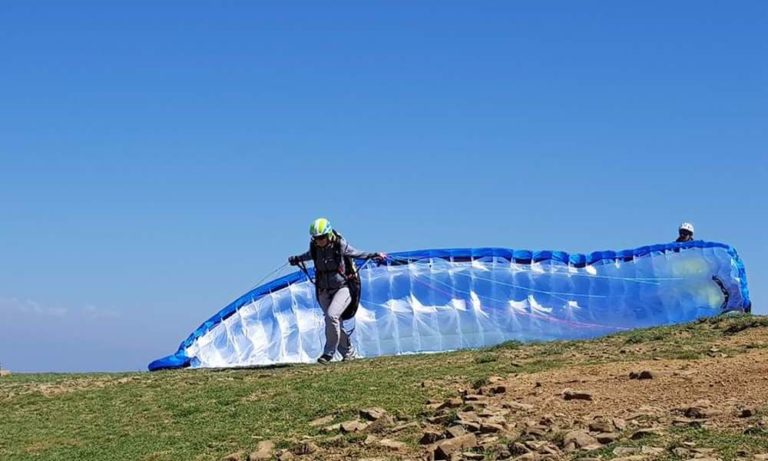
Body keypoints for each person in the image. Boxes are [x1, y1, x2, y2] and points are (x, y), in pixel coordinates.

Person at [288, 218, 385, 364]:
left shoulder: (340, 244)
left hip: (342, 288)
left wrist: (374, 254)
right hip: (323, 290)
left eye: (321, 237)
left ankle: (328, 353)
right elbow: (308, 256)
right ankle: (348, 353)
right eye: (316, 238)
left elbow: (356, 253)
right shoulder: (315, 248)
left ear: (328, 235)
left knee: (332, 315)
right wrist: (296, 259)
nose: (318, 240)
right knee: (334, 321)